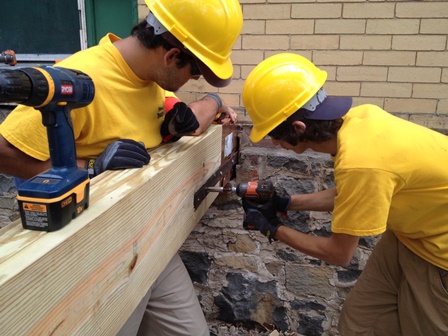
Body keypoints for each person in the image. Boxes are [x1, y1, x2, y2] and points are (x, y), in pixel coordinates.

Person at [0, 0, 243, 335]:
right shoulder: (83, 78)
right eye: (195, 72)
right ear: (172, 56)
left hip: (150, 238)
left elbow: (187, 121)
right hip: (92, 255)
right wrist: (89, 170)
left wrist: (213, 102)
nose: (193, 79)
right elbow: (5, 151)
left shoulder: (151, 78)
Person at [240, 53, 448, 335]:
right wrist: (285, 202)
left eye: (275, 133)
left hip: (440, 256)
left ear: (298, 128)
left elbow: (339, 253)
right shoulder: (358, 120)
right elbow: (352, 193)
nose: (275, 142)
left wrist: (272, 229)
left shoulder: (361, 161)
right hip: (409, 236)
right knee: (359, 325)